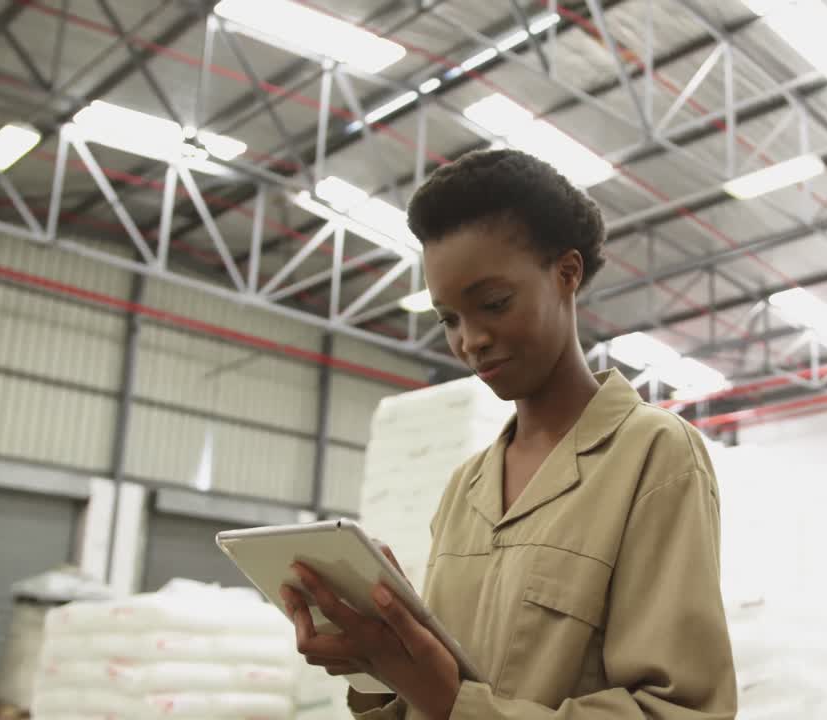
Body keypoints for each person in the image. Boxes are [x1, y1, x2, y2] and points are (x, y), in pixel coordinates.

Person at [281, 149, 737, 720]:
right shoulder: (466, 488)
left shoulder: (652, 456)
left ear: (567, 274)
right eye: (448, 319)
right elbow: (433, 701)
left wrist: (451, 702)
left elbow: (679, 712)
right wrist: (384, 663)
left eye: (493, 304)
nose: (470, 340)